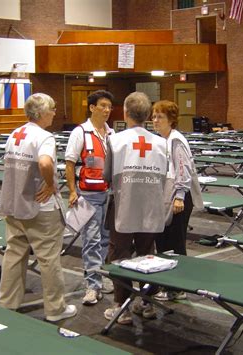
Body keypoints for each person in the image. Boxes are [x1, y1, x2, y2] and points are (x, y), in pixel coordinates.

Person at [0, 93, 76, 322]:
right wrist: (51, 184)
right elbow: (44, 162)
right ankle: (55, 309)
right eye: (52, 109)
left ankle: (7, 302)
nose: (54, 113)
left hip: (13, 204)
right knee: (49, 258)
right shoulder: (44, 137)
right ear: (41, 112)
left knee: (13, 255)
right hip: (39, 209)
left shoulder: (15, 134)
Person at [103, 92, 167, 325]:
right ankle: (147, 303)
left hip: (124, 206)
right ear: (148, 115)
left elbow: (106, 175)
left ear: (125, 113)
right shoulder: (161, 142)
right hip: (151, 206)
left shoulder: (116, 140)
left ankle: (121, 306)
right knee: (147, 253)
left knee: (119, 254)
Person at [65, 90, 115, 305]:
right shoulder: (80, 133)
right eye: (103, 106)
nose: (106, 110)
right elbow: (69, 163)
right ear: (92, 107)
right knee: (91, 240)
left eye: (109, 107)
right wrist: (72, 190)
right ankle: (92, 285)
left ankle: (102, 275)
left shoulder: (112, 134)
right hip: (89, 195)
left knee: (106, 239)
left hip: (110, 195)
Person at [151, 100, 204, 301]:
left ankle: (178, 288)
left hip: (179, 198)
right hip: (166, 196)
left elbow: (183, 169)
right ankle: (169, 284)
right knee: (163, 242)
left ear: (171, 120)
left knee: (175, 244)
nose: (155, 120)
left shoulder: (176, 140)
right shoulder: (162, 139)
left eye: (160, 117)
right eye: (154, 116)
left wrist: (179, 196)